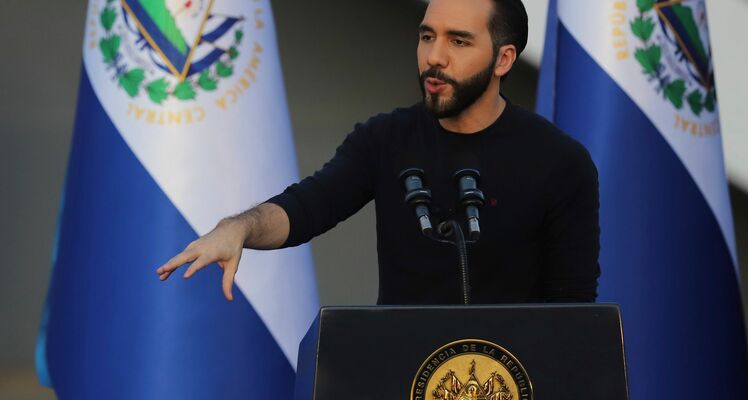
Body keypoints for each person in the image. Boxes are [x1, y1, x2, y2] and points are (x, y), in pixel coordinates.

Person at [156, 0, 600, 305]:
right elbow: (306, 208)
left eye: (458, 41)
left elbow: (574, 314)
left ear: (503, 60)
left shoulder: (560, 161)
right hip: (401, 373)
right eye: (427, 36)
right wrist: (238, 228)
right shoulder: (386, 138)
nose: (434, 57)